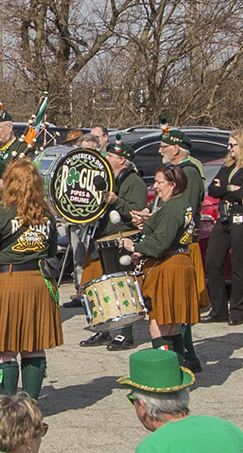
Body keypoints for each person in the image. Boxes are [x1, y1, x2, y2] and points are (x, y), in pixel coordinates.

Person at [0, 160, 62, 400]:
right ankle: (31, 404)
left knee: (4, 349)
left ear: (10, 182)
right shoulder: (47, 214)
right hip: (38, 283)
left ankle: (8, 406)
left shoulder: (3, 210)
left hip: (7, 283)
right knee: (33, 345)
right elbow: (52, 251)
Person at [122, 165, 199, 356]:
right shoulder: (181, 204)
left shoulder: (172, 208)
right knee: (172, 326)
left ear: (173, 185)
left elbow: (159, 244)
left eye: (159, 182)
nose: (155, 186)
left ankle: (168, 377)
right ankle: (179, 374)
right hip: (178, 263)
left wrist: (134, 247)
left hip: (170, 266)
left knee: (159, 324)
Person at [79, 136, 148, 350]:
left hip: (121, 238)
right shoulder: (109, 178)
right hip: (104, 237)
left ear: (122, 160)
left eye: (110, 156)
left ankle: (126, 334)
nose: (106, 158)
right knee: (103, 286)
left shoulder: (134, 182)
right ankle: (104, 330)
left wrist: (116, 200)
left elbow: (137, 212)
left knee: (122, 285)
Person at [156, 127, 207, 372]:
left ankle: (188, 355)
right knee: (175, 309)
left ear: (176, 148)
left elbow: (186, 211)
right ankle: (187, 354)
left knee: (181, 306)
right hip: (176, 242)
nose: (160, 151)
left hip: (186, 243)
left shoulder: (190, 172)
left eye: (164, 147)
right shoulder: (179, 172)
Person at [202, 130, 243, 325]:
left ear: (242, 146)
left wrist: (227, 189)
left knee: (238, 264)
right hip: (224, 216)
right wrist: (229, 188)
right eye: (228, 144)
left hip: (240, 216)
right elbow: (213, 189)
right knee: (212, 261)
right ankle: (218, 309)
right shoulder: (228, 166)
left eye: (232, 145)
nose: (229, 148)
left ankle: (237, 310)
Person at [63, 133, 103, 308]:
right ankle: (81, 293)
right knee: (78, 259)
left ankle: (94, 294)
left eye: (90, 148)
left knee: (92, 259)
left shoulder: (102, 167)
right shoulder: (71, 165)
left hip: (93, 221)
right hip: (74, 220)